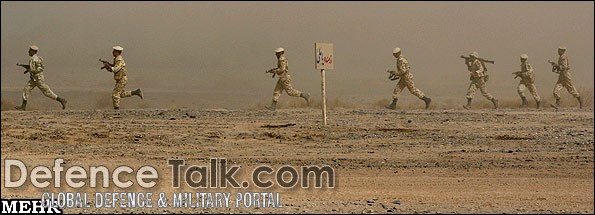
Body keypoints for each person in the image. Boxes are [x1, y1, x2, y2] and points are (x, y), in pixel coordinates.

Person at [15, 45, 67, 110]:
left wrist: (24, 67)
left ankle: (61, 100)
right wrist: (23, 66)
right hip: (34, 78)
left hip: (38, 79)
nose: (28, 52)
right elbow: (37, 67)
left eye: (30, 51)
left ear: (33, 51)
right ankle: (23, 106)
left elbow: (32, 69)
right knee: (26, 89)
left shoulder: (33, 59)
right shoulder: (38, 58)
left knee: (46, 92)